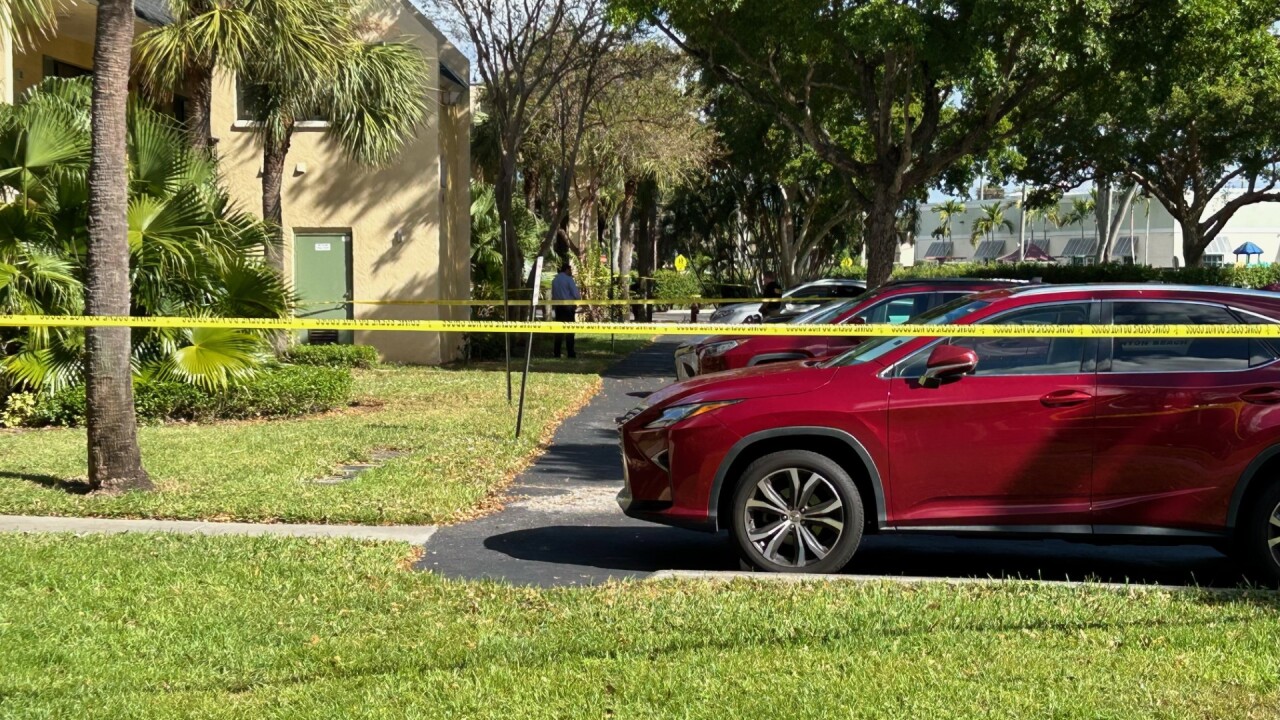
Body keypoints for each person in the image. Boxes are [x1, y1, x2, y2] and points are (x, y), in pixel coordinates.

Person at [551, 262, 581, 358]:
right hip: (568, 307)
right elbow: (575, 293)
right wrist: (577, 301)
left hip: (558, 307)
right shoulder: (569, 279)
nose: (571, 272)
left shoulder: (555, 280)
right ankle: (570, 353)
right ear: (567, 270)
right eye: (570, 270)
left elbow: (553, 293)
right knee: (569, 330)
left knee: (558, 330)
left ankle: (557, 352)